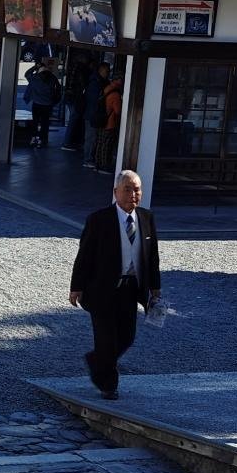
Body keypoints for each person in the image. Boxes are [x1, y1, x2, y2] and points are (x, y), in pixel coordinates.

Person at [69, 169, 160, 400]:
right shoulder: (99, 219)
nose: (133, 194)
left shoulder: (147, 218)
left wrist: (155, 288)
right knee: (106, 338)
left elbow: (152, 257)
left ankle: (96, 360)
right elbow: (85, 255)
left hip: (130, 289)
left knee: (127, 337)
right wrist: (76, 286)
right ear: (115, 192)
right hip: (101, 289)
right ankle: (109, 385)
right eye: (127, 189)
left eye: (137, 189)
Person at [27, 59, 62, 150]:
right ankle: (42, 140)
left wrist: (35, 67)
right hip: (47, 105)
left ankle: (33, 138)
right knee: (45, 123)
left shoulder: (35, 78)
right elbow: (59, 88)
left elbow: (27, 74)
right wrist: (54, 100)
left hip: (37, 103)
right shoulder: (52, 78)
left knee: (35, 121)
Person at [84, 62, 110, 169]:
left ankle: (89, 158)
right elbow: (94, 99)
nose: (108, 73)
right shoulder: (96, 83)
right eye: (107, 71)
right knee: (91, 137)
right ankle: (87, 159)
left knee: (92, 137)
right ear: (101, 70)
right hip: (93, 114)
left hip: (93, 113)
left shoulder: (96, 81)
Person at [96, 71, 123, 172]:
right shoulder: (116, 94)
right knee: (107, 145)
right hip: (110, 123)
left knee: (100, 143)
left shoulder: (106, 88)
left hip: (101, 120)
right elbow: (117, 111)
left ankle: (97, 164)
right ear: (118, 80)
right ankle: (105, 165)